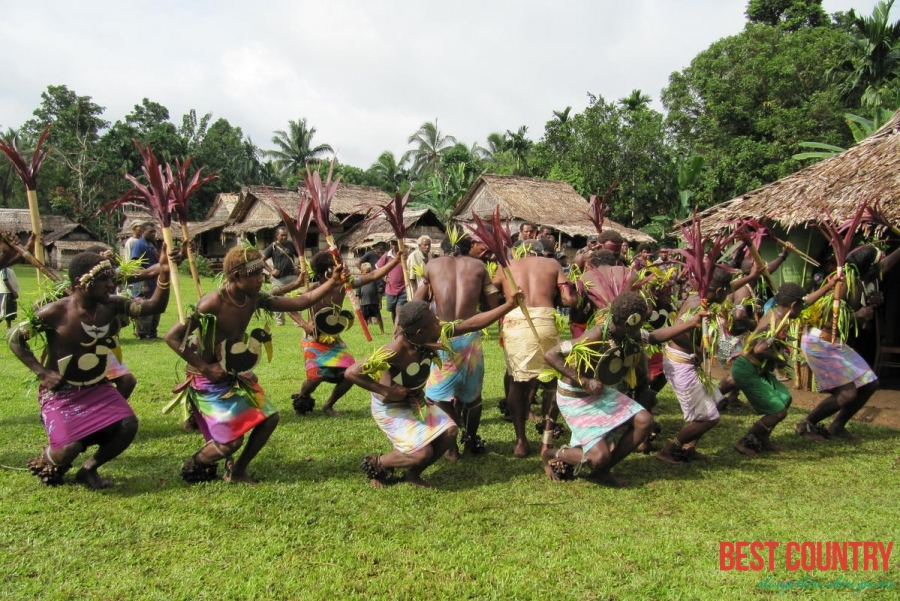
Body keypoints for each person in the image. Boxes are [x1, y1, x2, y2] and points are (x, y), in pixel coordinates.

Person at [164, 246, 344, 484]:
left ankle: (238, 471)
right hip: (206, 377)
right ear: (237, 276)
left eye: (262, 273)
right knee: (231, 442)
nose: (262, 279)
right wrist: (206, 368)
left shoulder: (254, 298)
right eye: (256, 274)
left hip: (233, 373)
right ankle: (196, 464)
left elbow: (302, 302)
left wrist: (332, 282)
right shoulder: (211, 304)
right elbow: (172, 337)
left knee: (270, 418)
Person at [9, 250, 171, 488]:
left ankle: (89, 469)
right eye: (104, 280)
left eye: (111, 277)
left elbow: (153, 306)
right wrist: (42, 372)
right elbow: (14, 338)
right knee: (68, 450)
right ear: (81, 285)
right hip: (61, 393)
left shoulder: (113, 306)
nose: (111, 284)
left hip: (97, 387)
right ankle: (50, 455)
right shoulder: (56, 312)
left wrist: (164, 275)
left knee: (128, 425)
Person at [346, 292, 521, 488]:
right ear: (420, 332)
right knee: (423, 452)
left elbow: (472, 324)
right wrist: (387, 391)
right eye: (434, 321)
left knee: (450, 431)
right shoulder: (395, 350)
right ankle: (378, 462)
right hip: (390, 409)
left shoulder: (433, 334)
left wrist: (509, 305)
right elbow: (352, 372)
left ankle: (412, 475)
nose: (439, 322)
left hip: (414, 402)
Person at [542, 292, 708, 486]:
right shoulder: (596, 335)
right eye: (640, 322)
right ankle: (551, 454)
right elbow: (551, 354)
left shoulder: (628, 333)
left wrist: (691, 323)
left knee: (645, 421)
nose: (642, 328)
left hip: (600, 393)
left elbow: (654, 337)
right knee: (597, 457)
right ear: (630, 321)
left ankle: (602, 472)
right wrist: (584, 381)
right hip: (575, 397)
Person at [796, 244, 900, 441]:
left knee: (870, 384)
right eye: (879, 265)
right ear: (869, 267)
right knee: (847, 394)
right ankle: (806, 424)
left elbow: (885, 266)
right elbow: (828, 320)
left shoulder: (861, 283)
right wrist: (858, 315)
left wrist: (867, 309)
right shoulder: (843, 284)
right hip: (820, 342)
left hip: (836, 344)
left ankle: (837, 426)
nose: (882, 269)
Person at [414, 235, 500, 457]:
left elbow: (417, 302)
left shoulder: (431, 265)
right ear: (467, 247)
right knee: (472, 397)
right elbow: (493, 303)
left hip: (441, 336)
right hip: (470, 335)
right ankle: (470, 441)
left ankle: (450, 446)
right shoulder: (479, 266)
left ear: (443, 248)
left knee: (436, 395)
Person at [293, 249, 402, 416]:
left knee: (350, 373)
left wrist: (395, 261)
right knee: (316, 377)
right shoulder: (313, 288)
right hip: (313, 340)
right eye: (335, 266)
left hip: (334, 340)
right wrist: (304, 324)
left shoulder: (345, 284)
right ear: (327, 271)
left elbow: (372, 276)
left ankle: (328, 405)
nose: (341, 268)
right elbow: (289, 305)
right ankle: (303, 396)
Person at [732, 282, 834, 455]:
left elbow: (807, 301)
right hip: (747, 368)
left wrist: (829, 286)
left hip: (757, 369)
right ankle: (745, 441)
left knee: (785, 398)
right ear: (794, 305)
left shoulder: (779, 312)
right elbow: (759, 349)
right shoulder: (775, 321)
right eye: (801, 306)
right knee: (778, 412)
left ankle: (763, 439)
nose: (803, 309)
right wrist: (779, 360)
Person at [502, 239, 577, 457]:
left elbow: (492, 297)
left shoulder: (505, 265)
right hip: (545, 321)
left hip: (515, 322)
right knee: (552, 380)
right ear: (541, 253)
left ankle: (520, 442)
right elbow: (568, 299)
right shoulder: (552, 265)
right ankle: (547, 441)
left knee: (517, 379)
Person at [656, 267, 733, 464]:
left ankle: (689, 447)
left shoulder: (701, 299)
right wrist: (698, 350)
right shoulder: (698, 303)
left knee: (716, 403)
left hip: (689, 360)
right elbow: (678, 332)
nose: (728, 294)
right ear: (719, 291)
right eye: (727, 290)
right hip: (681, 363)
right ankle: (669, 449)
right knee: (709, 417)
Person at [262, 226, 299, 326]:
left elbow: (301, 255)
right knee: (277, 300)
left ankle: (297, 320)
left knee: (295, 299)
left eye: (286, 235)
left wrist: (298, 268)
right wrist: (271, 271)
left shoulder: (291, 245)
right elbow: (261, 260)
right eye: (282, 235)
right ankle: (280, 321)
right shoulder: (272, 247)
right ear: (277, 236)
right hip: (279, 279)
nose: (284, 237)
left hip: (292, 277)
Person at [130, 223, 161, 339]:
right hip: (143, 282)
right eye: (150, 232)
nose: (153, 234)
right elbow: (136, 265)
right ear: (143, 232)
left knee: (156, 306)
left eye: (154, 232)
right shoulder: (139, 244)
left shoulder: (152, 244)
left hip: (155, 281)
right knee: (144, 306)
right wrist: (143, 283)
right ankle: (142, 333)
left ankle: (153, 332)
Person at [376, 239, 408, 325]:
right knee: (393, 310)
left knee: (399, 310)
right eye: (392, 243)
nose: (394, 246)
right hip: (390, 288)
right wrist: (383, 276)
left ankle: (398, 328)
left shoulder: (405, 255)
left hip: (403, 288)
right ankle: (395, 326)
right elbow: (378, 267)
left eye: (396, 244)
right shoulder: (387, 256)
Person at [358, 262, 385, 335]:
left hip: (374, 303)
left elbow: (378, 293)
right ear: (362, 272)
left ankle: (382, 331)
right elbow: (358, 295)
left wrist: (380, 302)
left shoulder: (374, 281)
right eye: (367, 272)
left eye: (370, 272)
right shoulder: (360, 282)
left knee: (378, 317)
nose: (368, 274)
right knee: (365, 319)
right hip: (364, 304)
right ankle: (366, 332)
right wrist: (358, 305)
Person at [0, 265, 19, 329]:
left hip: (9, 293)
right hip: (6, 293)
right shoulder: (4, 268)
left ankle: (9, 329)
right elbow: (5, 280)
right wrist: (13, 292)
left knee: (9, 315)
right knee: (3, 314)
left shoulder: (9, 267)